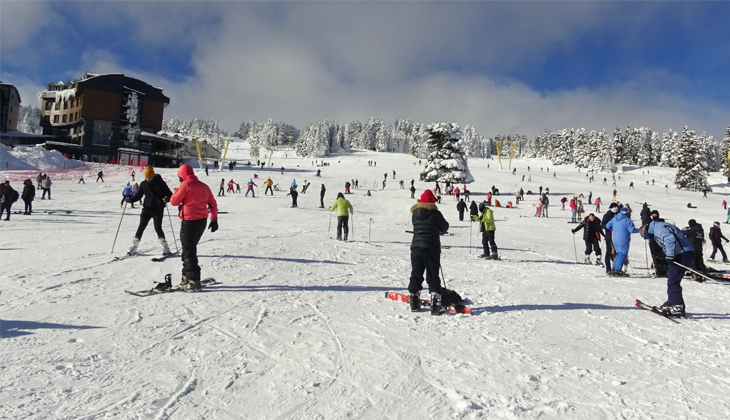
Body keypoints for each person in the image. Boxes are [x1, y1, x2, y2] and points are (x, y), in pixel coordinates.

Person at [169, 164, 218, 292]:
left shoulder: (185, 185)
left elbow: (174, 202)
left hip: (189, 221)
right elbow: (212, 203)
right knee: (189, 249)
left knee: (188, 251)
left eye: (180, 177)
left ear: (182, 175)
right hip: (201, 221)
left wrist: (175, 192)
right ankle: (186, 277)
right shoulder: (204, 186)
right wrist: (214, 219)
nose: (179, 179)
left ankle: (193, 280)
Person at [408, 190, 450, 315]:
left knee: (416, 273)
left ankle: (414, 302)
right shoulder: (436, 213)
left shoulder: (414, 213)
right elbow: (445, 227)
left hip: (415, 247)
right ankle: (436, 305)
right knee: (432, 275)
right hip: (431, 247)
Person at [643, 220, 694, 317]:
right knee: (673, 279)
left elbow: (669, 239)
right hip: (685, 253)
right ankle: (674, 301)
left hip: (681, 254)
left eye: (644, 235)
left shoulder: (657, 228)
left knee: (673, 281)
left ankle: (677, 305)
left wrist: (670, 256)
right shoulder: (661, 225)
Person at [127, 166, 174, 256]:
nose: (148, 179)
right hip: (147, 209)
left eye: (150, 177)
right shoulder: (144, 184)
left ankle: (165, 248)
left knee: (158, 228)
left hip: (158, 209)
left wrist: (166, 199)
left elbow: (169, 194)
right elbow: (138, 195)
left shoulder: (160, 183)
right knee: (141, 226)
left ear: (153, 176)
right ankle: (134, 247)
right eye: (146, 177)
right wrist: (130, 200)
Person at [605, 207, 640, 276]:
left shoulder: (615, 218)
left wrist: (614, 229)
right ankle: (618, 270)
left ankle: (614, 269)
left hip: (615, 239)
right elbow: (631, 230)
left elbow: (607, 226)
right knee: (622, 254)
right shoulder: (627, 220)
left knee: (618, 254)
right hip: (623, 239)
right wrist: (640, 230)